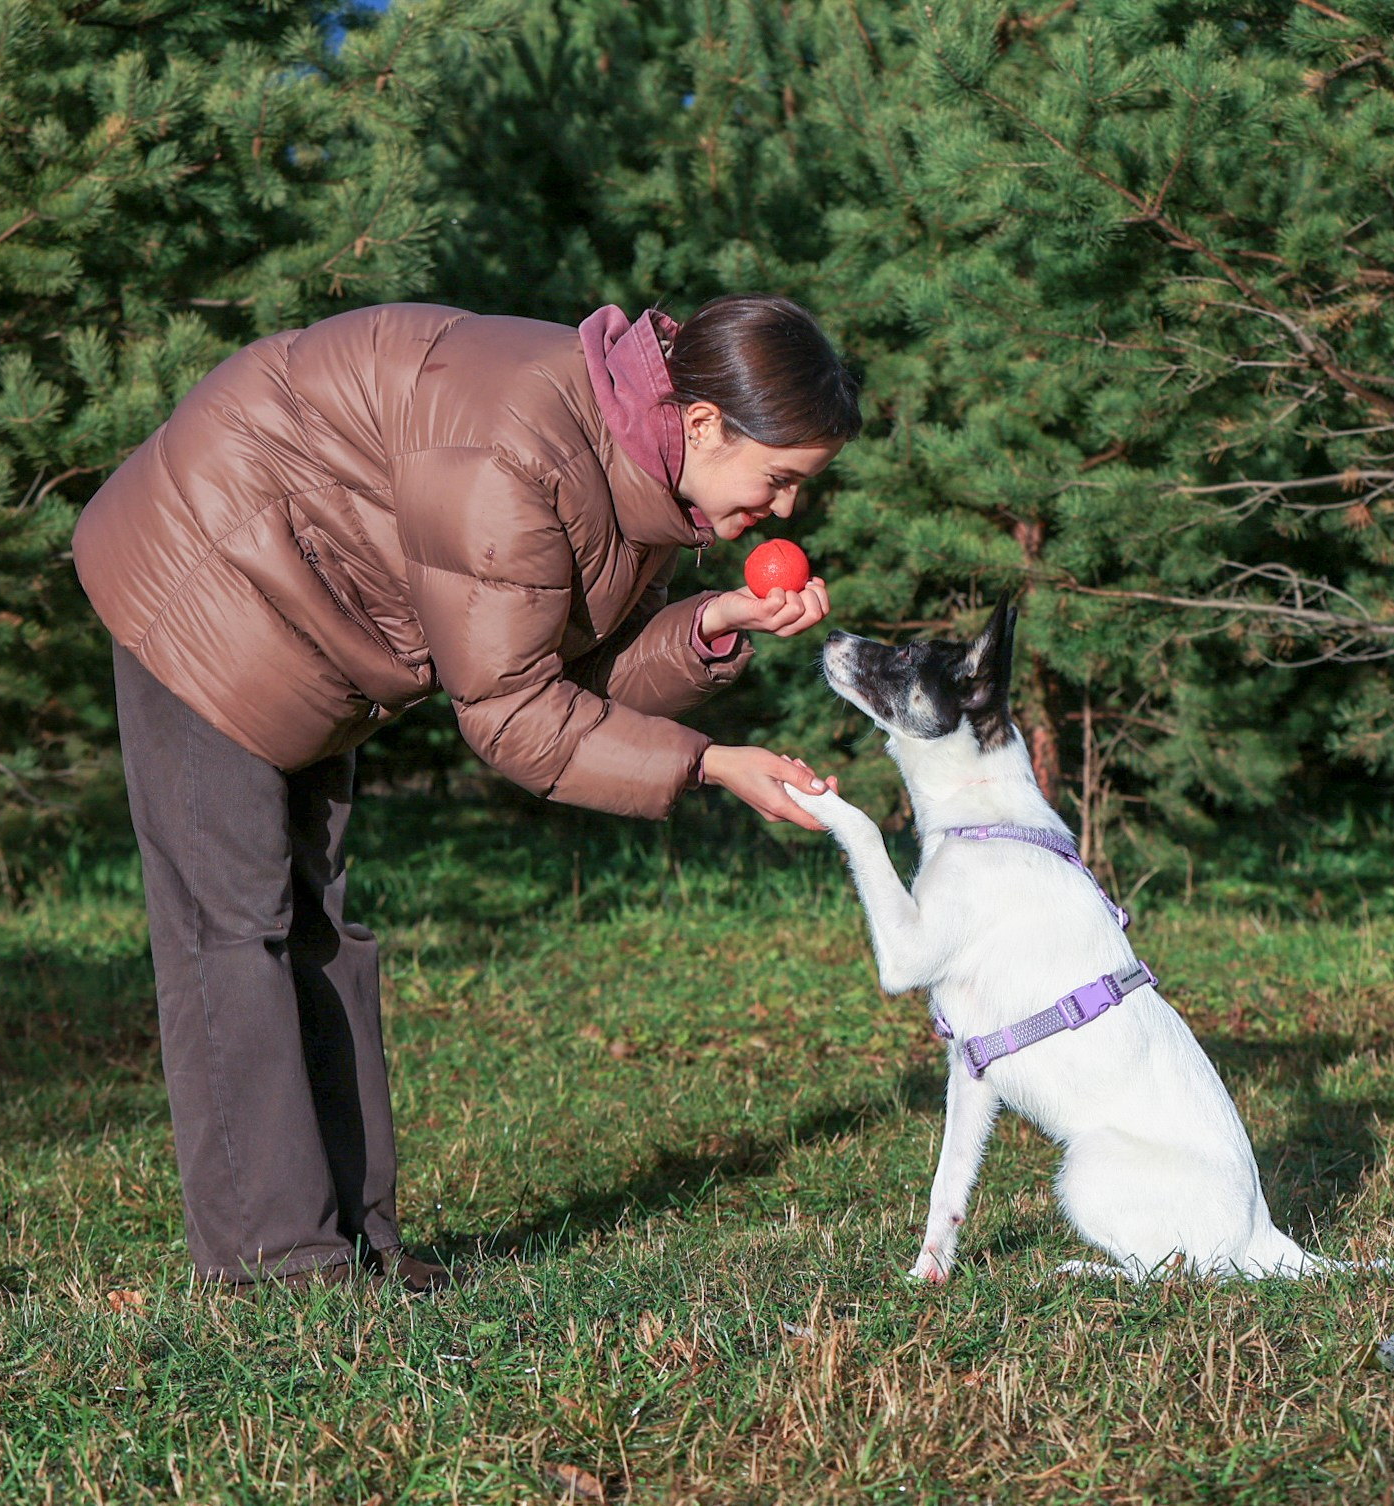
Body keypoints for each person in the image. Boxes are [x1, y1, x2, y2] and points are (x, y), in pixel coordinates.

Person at [72, 294, 858, 1291]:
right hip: (202, 562)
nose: (786, 510)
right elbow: (514, 717)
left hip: (317, 608)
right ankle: (273, 1267)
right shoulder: (520, 448)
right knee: (233, 926)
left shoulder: (646, 469)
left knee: (319, 924)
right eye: (781, 479)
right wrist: (708, 764)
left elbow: (581, 673)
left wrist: (710, 627)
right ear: (703, 421)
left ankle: (359, 1244)